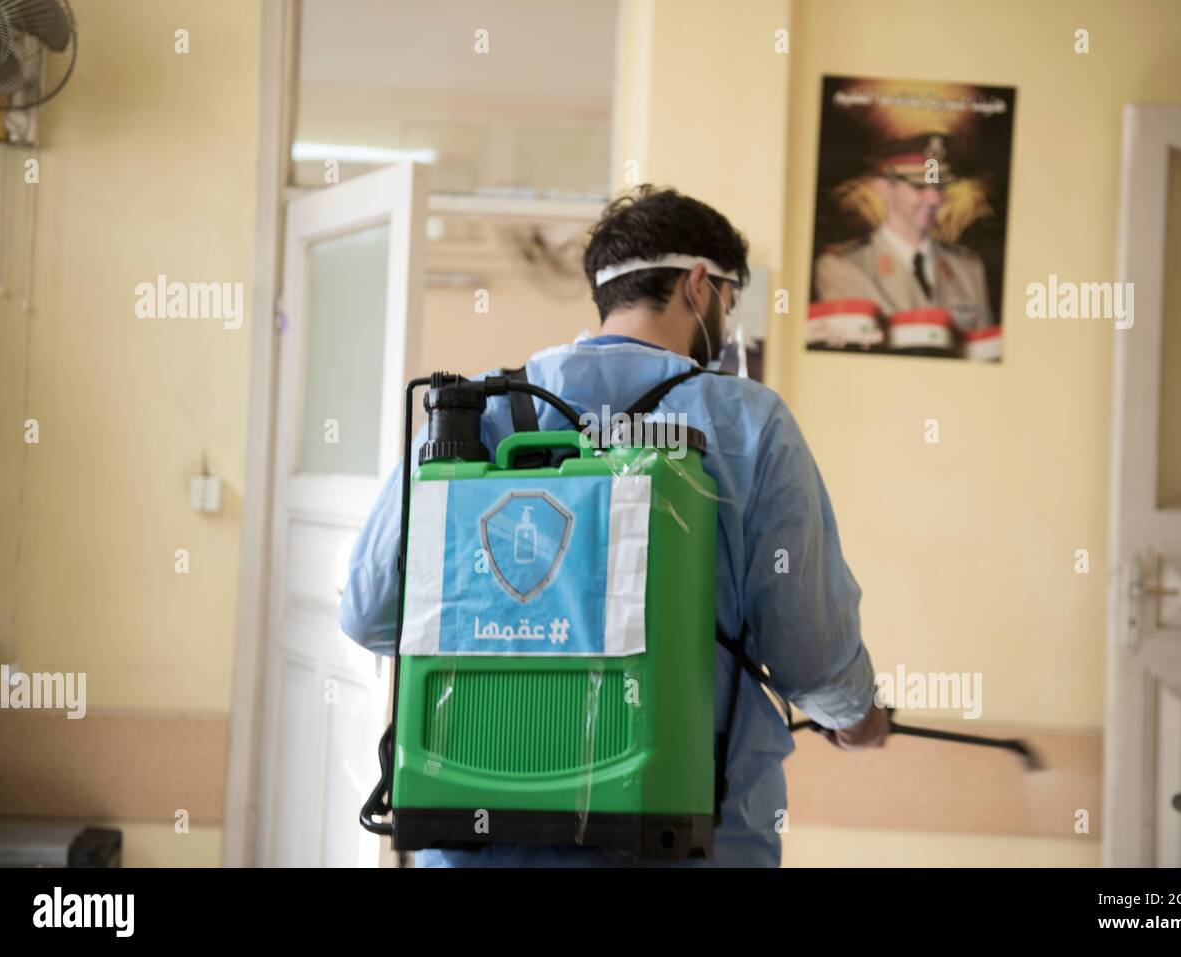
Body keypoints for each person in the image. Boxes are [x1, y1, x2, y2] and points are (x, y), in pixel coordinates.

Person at [340, 184, 888, 867]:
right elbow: (811, 651)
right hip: (685, 836)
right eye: (729, 297)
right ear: (698, 286)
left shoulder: (478, 410)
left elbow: (368, 613)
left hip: (480, 838)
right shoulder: (749, 423)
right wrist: (859, 717)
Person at [812, 133, 993, 348]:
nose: (934, 199)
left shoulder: (968, 269)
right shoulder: (842, 267)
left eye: (939, 187)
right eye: (919, 187)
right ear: (884, 188)